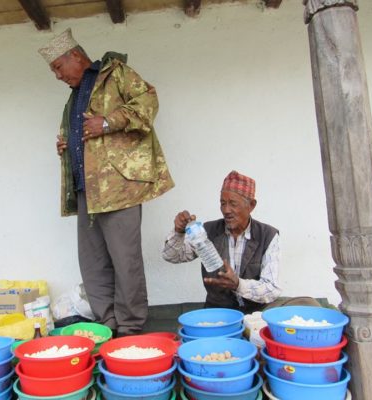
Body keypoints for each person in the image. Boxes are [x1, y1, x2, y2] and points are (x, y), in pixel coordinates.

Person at [38, 29, 174, 336]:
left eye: (58, 67)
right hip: (86, 188)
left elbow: (147, 102)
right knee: (92, 261)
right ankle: (107, 322)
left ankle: (129, 326)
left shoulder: (115, 74)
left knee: (125, 260)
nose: (58, 76)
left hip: (118, 188)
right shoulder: (76, 94)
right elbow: (86, 134)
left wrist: (108, 121)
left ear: (75, 56)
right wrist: (67, 145)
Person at [162, 170, 282, 314]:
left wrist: (238, 284)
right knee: (185, 331)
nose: (226, 210)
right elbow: (172, 256)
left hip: (255, 315)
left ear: (251, 205)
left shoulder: (268, 235)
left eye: (233, 203)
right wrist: (179, 232)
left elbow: (272, 288)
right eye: (222, 203)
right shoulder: (208, 231)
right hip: (218, 313)